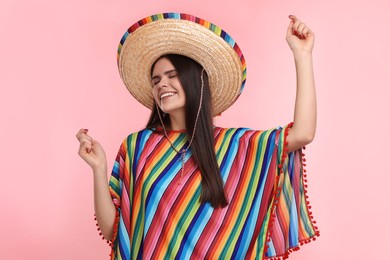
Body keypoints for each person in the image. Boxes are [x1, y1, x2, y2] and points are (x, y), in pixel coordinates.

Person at [76, 12, 319, 260]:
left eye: (172, 76)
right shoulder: (137, 146)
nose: (161, 85)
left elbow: (302, 133)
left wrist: (302, 54)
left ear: (195, 81)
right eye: (156, 80)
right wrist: (99, 168)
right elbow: (113, 231)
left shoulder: (233, 146)